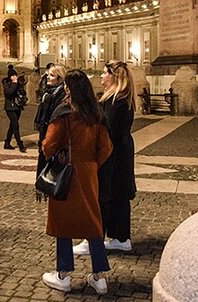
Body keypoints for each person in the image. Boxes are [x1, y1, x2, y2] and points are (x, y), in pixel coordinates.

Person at [41, 70, 113, 295]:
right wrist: (92, 165)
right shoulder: (97, 114)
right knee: (93, 221)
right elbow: (107, 148)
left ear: (68, 89)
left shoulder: (64, 113)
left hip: (68, 173)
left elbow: (48, 146)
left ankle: (63, 274)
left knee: (64, 223)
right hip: (89, 172)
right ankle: (99, 277)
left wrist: (60, 153)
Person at [74, 60, 136, 255]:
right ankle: (120, 237)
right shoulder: (119, 99)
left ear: (114, 77)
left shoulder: (116, 102)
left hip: (113, 154)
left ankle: (95, 239)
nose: (101, 76)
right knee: (118, 195)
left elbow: (106, 130)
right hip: (119, 152)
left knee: (105, 196)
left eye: (104, 73)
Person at [34, 64, 67, 181]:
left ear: (60, 78)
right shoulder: (47, 94)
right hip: (45, 134)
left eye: (52, 75)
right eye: (48, 74)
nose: (48, 77)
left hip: (54, 137)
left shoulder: (62, 95)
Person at [2, 67, 27, 152]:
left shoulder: (18, 82)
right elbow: (9, 93)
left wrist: (20, 85)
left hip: (17, 106)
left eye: (15, 75)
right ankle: (20, 144)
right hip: (10, 107)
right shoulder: (6, 83)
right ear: (9, 76)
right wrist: (14, 84)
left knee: (12, 126)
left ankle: (7, 143)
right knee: (15, 125)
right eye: (13, 75)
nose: (14, 77)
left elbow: (23, 92)